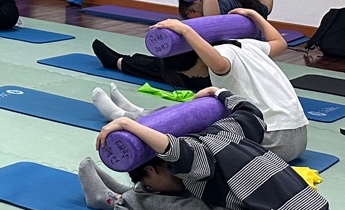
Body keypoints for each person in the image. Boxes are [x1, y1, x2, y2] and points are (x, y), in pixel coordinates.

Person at [79, 87, 342, 210]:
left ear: (152, 168)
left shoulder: (199, 156)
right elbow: (251, 113)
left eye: (147, 184)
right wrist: (219, 93)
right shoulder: (226, 130)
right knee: (205, 202)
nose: (150, 186)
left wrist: (128, 124)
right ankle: (131, 198)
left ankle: (118, 202)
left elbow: (177, 152)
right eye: (146, 189)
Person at [100, 9, 306, 161]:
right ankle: (136, 113)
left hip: (274, 140)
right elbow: (280, 43)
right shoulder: (244, 45)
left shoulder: (221, 60)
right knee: (206, 105)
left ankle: (129, 119)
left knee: (194, 124)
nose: (188, 76)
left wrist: (185, 30)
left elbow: (218, 62)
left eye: (184, 72)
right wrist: (254, 15)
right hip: (298, 136)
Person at [91, 0, 276, 87]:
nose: (193, 17)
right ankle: (124, 59)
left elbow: (214, 22)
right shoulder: (243, 4)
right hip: (236, 64)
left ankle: (119, 62)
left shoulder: (224, 4)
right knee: (172, 59)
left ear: (200, 0)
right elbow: (266, 8)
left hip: (227, 71)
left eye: (192, 11)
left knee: (172, 71)